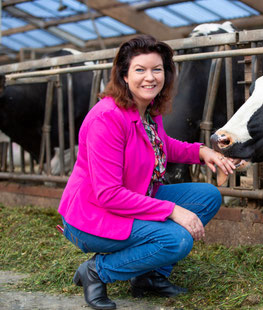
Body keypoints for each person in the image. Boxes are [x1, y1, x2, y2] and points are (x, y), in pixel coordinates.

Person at [58, 34, 236, 310]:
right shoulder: (106, 119)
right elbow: (109, 195)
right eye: (140, 70)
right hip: (93, 215)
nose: (150, 77)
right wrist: (172, 210)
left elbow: (161, 146)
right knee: (176, 239)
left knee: (207, 196)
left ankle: (149, 277)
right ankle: (96, 271)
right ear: (124, 76)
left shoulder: (148, 109)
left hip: (132, 198)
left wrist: (203, 152)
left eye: (157, 69)